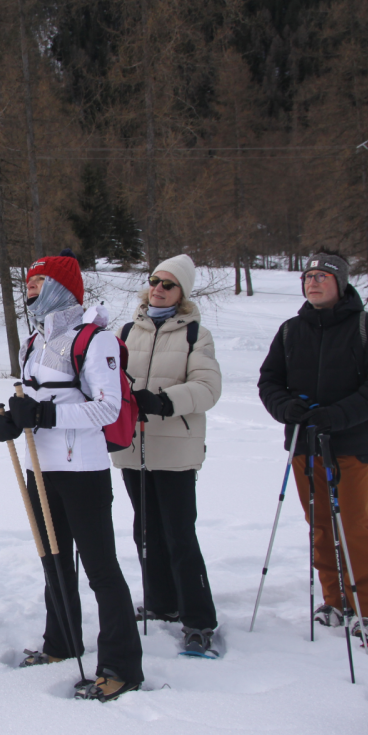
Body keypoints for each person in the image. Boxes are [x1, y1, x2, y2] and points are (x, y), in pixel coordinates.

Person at [0, 250, 144, 701]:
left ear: (60, 287)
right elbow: (33, 402)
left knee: (99, 568)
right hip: (42, 467)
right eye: (27, 284)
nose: (29, 290)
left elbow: (108, 406)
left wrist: (42, 414)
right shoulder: (33, 341)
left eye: (37, 283)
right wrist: (13, 421)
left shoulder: (93, 340)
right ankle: (61, 643)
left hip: (84, 470)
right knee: (53, 560)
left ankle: (121, 666)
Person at [258, 251, 368, 646]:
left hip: (351, 444)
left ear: (340, 283)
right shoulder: (290, 330)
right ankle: (334, 601)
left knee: (353, 525)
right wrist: (288, 409)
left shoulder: (364, 328)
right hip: (304, 446)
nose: (314, 282)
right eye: (308, 277)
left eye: (323, 276)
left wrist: (338, 416)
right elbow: (269, 382)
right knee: (320, 525)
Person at [112, 254, 223, 657]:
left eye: (168, 284)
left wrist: (160, 401)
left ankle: (198, 619)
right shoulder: (126, 331)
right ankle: (161, 603)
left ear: (183, 293)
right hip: (132, 446)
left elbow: (207, 388)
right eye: (155, 280)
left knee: (179, 534)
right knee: (145, 529)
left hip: (174, 448)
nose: (158, 288)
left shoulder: (196, 334)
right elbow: (110, 378)